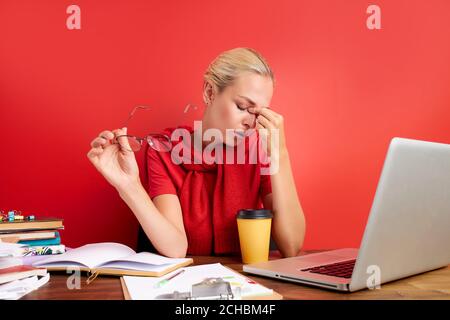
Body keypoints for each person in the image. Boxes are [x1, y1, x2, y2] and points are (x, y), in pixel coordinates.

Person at [87, 47, 306, 258]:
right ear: (210, 92)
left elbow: (291, 246)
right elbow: (176, 248)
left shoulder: (259, 149)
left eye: (259, 113)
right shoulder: (164, 149)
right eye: (242, 107)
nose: (250, 122)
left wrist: (280, 154)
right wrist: (129, 186)